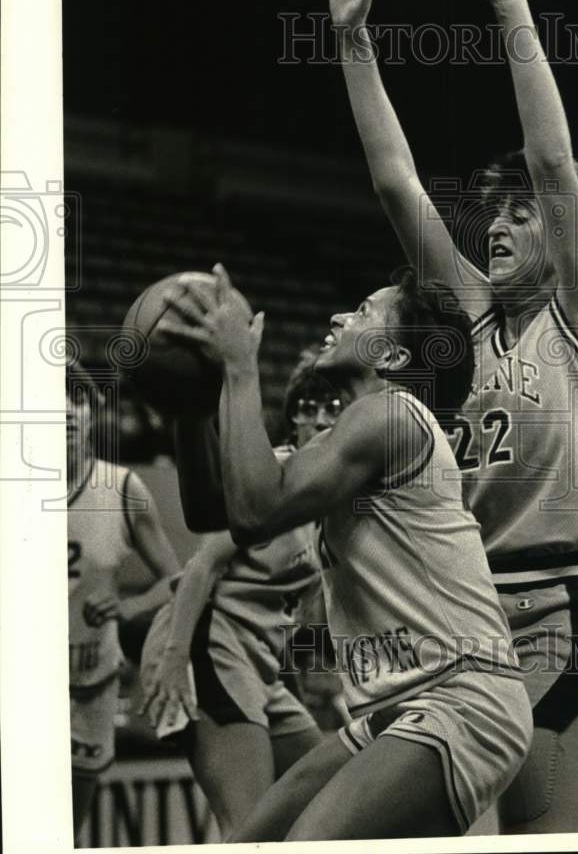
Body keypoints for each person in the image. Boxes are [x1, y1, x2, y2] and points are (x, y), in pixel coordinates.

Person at [330, 0, 578, 832]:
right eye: (490, 213)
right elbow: (394, 182)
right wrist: (349, 42)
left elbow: (553, 161)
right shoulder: (471, 314)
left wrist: (510, 6)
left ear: (570, 238)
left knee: (534, 843)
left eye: (519, 214)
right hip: (457, 610)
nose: (496, 225)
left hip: (553, 608)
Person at [160, 263, 531, 840]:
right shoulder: (344, 445)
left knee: (307, 847)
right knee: (249, 843)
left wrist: (239, 367)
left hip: (465, 696)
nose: (339, 316)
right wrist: (189, 408)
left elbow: (256, 512)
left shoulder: (393, 417)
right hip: (393, 709)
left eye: (363, 312)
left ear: (396, 357)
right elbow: (215, 512)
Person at [138, 350, 338, 838]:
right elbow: (202, 566)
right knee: (247, 826)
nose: (318, 418)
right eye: (306, 408)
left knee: (329, 789)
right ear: (292, 417)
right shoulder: (270, 476)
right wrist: (173, 657)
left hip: (258, 666)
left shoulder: (333, 492)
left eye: (331, 406)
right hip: (209, 647)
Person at [67, 356, 180, 832]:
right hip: (23, 691)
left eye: (77, 400)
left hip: (90, 688)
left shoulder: (123, 488)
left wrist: (130, 605)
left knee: (67, 828)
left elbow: (179, 579)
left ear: (93, 412)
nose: (68, 412)